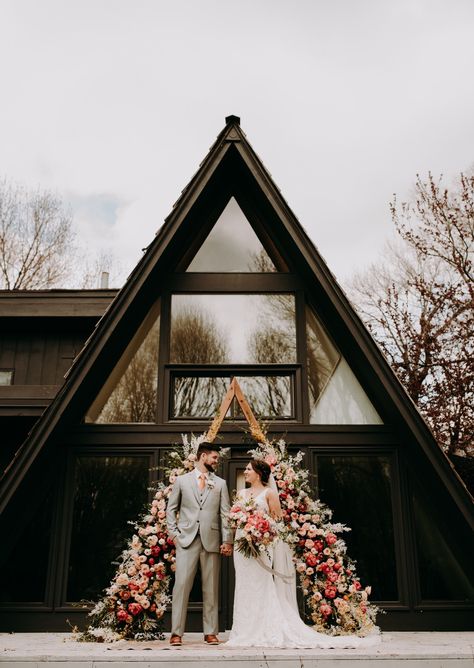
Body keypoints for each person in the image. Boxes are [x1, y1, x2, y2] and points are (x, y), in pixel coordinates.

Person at [227, 459, 380, 649]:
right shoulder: (241, 493)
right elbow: (234, 517)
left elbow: (277, 523)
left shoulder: (270, 493)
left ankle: (262, 628)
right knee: (243, 584)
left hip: (261, 545)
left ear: (258, 473)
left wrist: (260, 529)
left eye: (249, 469)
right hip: (241, 546)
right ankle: (243, 630)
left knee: (260, 584)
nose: (246, 471)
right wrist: (240, 523)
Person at [166, 442, 233, 646]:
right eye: (214, 457)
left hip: (211, 541)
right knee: (181, 586)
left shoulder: (220, 484)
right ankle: (176, 633)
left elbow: (225, 514)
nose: (216, 461)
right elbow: (171, 509)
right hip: (186, 540)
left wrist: (227, 540)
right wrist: (174, 535)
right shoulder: (182, 481)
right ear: (202, 456)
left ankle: (210, 632)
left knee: (211, 588)